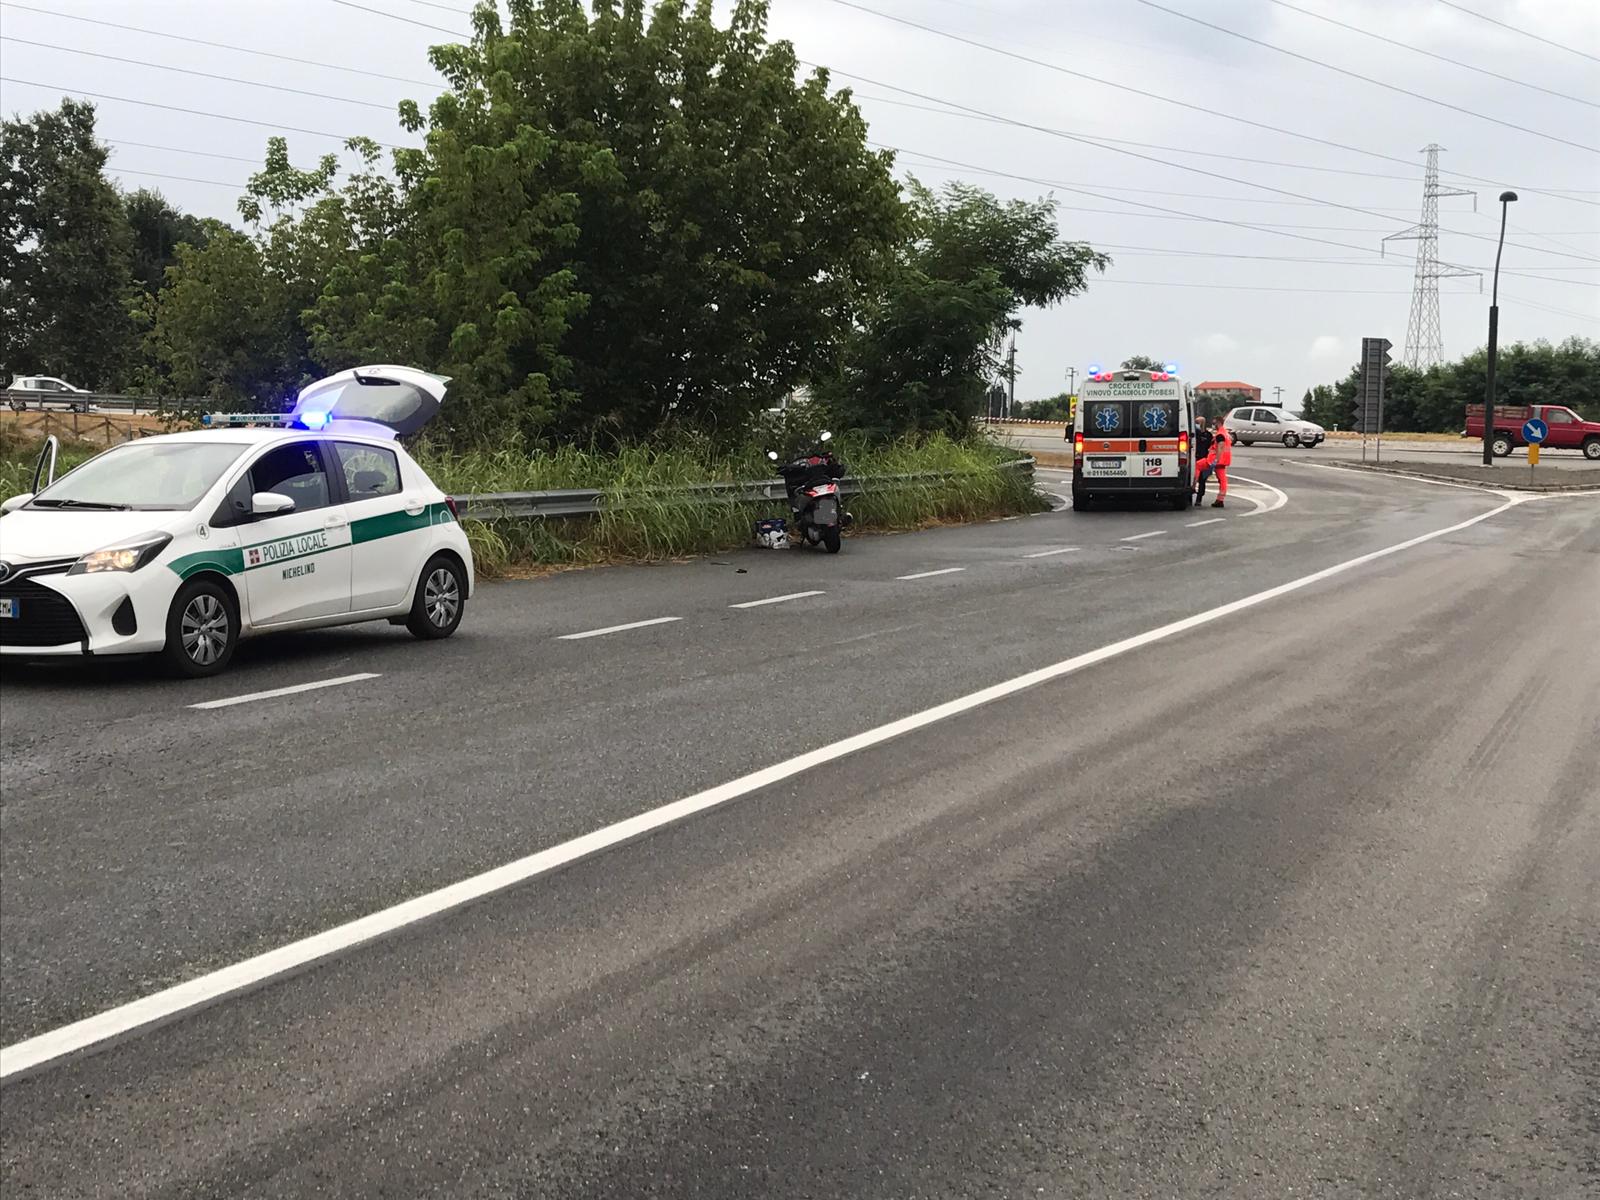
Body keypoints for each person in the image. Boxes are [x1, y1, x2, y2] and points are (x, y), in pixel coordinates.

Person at [1208, 418, 1232, 508]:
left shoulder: (1220, 434)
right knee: (1222, 479)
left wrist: (1216, 460)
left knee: (1222, 479)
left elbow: (1220, 447)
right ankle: (1220, 499)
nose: (1213, 425)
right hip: (1223, 459)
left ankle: (1220, 500)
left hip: (1219, 460)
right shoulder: (1224, 433)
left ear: (1218, 423)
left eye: (1214, 423)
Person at [1192, 415, 1215, 505]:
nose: (1196, 424)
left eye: (1198, 423)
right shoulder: (1194, 434)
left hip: (1204, 459)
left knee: (1202, 479)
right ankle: (1191, 495)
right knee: (1193, 478)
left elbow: (1211, 447)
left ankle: (1199, 498)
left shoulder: (1208, 435)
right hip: (1195, 458)